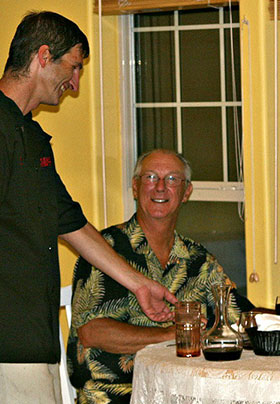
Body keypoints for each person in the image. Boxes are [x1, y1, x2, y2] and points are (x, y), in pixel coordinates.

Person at [0, 12, 176, 404]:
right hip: (8, 346)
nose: (75, 84)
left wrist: (139, 284)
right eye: (74, 67)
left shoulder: (31, 135)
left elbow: (72, 223)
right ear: (43, 56)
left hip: (35, 341)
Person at [67, 149, 254, 404]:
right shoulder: (104, 250)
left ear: (186, 192)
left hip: (183, 394)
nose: (160, 188)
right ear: (135, 187)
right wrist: (172, 334)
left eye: (172, 179)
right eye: (151, 177)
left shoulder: (198, 261)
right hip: (115, 396)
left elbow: (240, 316)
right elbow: (91, 332)